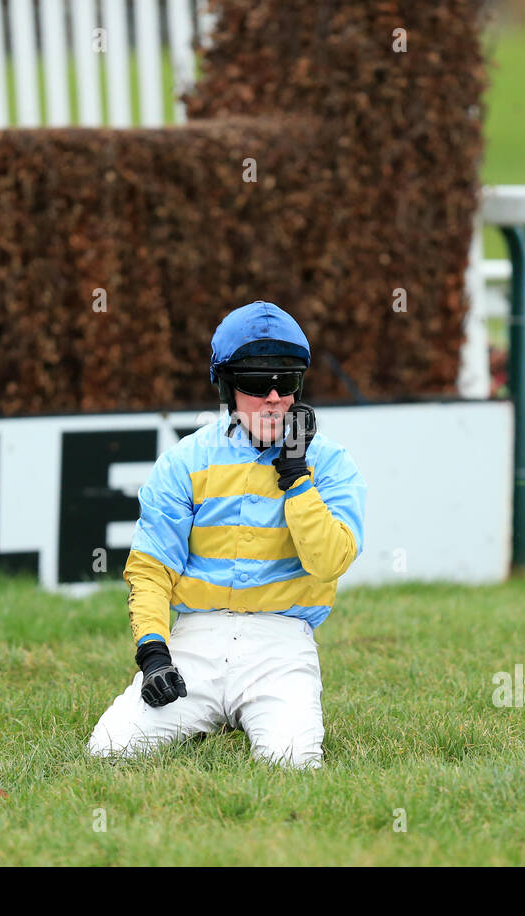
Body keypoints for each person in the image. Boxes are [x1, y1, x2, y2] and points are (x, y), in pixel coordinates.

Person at [87, 301, 367, 769]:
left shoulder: (333, 463)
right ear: (227, 388)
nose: (275, 396)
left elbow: (330, 561)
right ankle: (218, 713)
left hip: (282, 640)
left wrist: (296, 478)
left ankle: (239, 713)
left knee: (293, 763)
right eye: (257, 383)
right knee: (109, 751)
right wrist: (154, 654)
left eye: (289, 381)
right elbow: (152, 570)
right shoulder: (184, 462)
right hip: (194, 639)